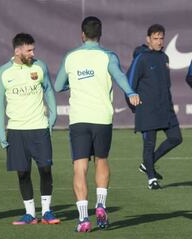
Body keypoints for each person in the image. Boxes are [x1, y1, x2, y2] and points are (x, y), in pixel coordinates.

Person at [55, 16, 140, 232]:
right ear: (100, 35)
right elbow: (120, 77)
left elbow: (57, 86)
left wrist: (73, 82)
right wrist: (131, 93)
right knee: (101, 160)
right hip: (102, 118)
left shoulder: (71, 57)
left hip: (79, 119)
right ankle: (101, 204)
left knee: (79, 167)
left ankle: (84, 219)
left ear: (82, 34)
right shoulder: (108, 56)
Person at [0, 33, 60, 225]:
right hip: (16, 131)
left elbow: (48, 89)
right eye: (29, 50)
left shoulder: (40, 66)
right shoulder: (3, 73)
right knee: (22, 172)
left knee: (45, 169)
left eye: (33, 49)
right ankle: (30, 214)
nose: (33, 53)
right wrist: (0, 131)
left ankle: (47, 211)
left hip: (39, 127)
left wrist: (53, 113)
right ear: (17, 51)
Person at [127, 24, 182, 190]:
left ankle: (147, 164)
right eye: (155, 38)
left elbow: (166, 85)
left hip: (166, 109)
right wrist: (134, 106)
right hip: (147, 111)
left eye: (161, 38)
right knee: (149, 144)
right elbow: (129, 84)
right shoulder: (141, 58)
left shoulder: (164, 58)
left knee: (176, 138)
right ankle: (151, 179)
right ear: (148, 39)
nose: (159, 41)